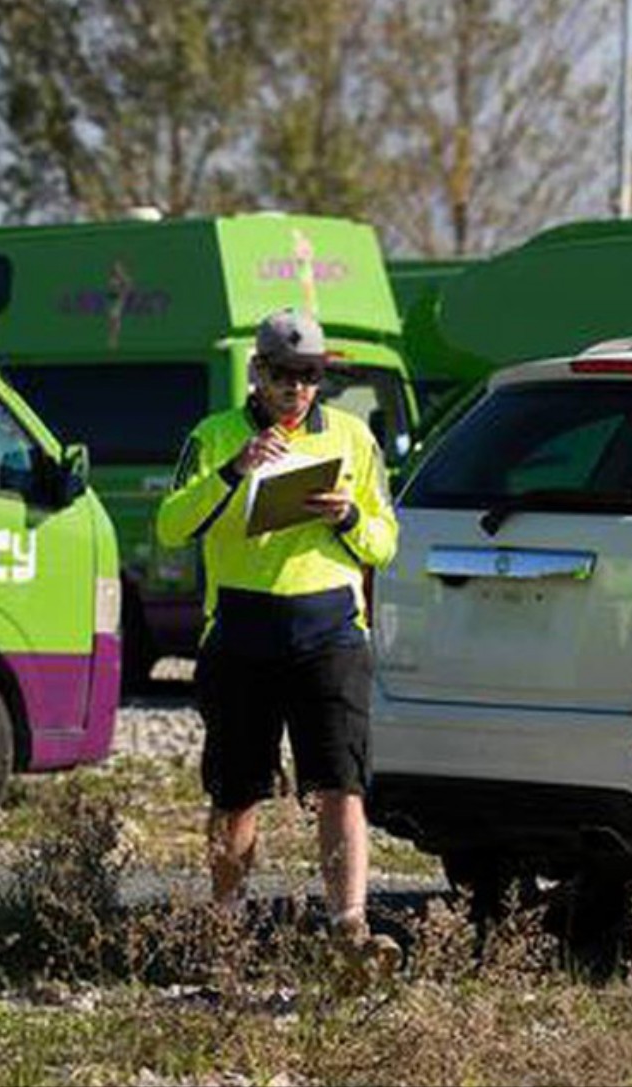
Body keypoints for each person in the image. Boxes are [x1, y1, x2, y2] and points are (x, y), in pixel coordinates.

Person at [156, 306, 400, 974]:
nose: (297, 388)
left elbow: (386, 538)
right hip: (240, 631)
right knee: (236, 791)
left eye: (311, 374)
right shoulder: (212, 436)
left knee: (341, 785)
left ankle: (348, 930)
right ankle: (225, 932)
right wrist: (234, 471)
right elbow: (172, 526)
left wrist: (348, 515)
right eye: (285, 374)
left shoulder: (353, 439)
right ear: (257, 372)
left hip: (331, 633)